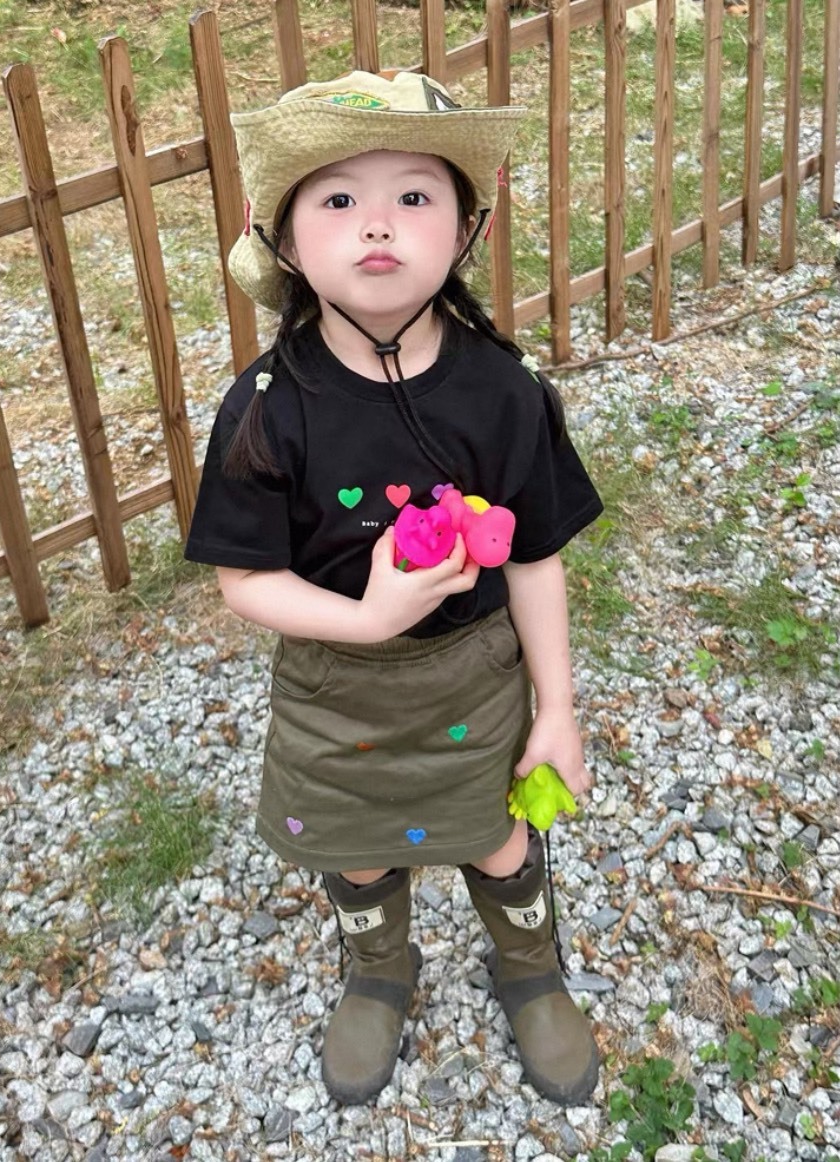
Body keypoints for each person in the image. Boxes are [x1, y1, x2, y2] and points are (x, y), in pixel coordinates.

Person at [185, 70, 604, 1108]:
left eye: (414, 195)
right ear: (284, 239)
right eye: (337, 198)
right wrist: (366, 618)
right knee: (359, 849)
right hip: (334, 686)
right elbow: (246, 579)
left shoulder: (503, 392)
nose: (376, 222)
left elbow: (533, 557)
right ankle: (377, 969)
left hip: (473, 675)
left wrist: (556, 707)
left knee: (498, 832)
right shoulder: (265, 406)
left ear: (466, 228)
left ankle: (529, 967)